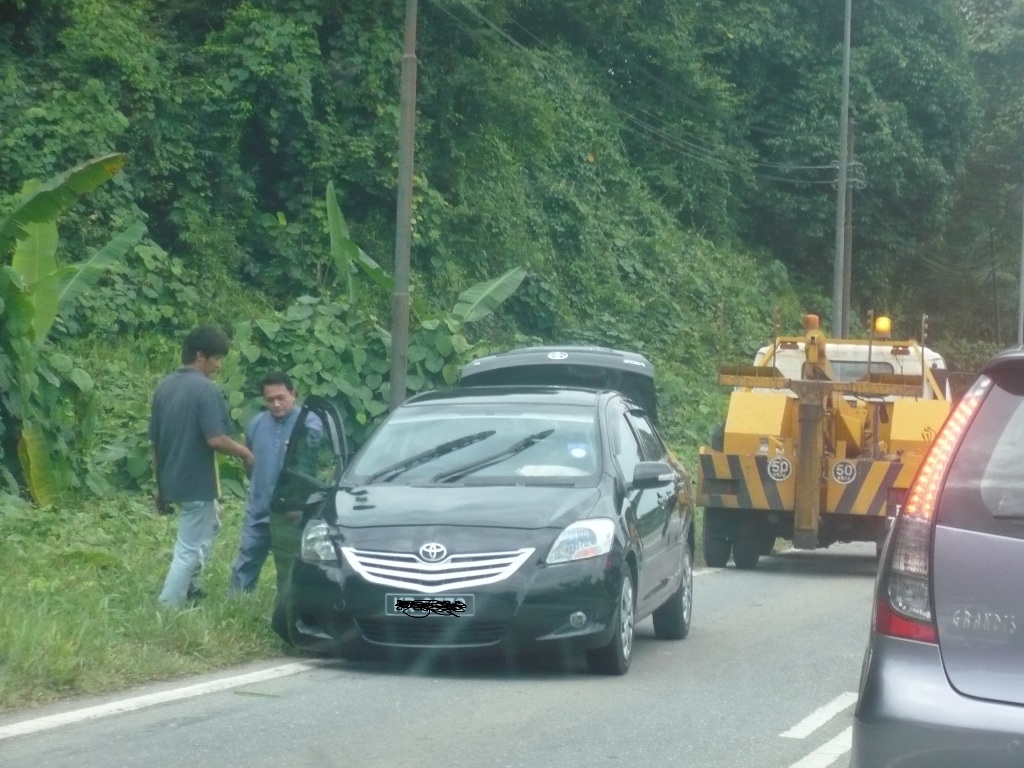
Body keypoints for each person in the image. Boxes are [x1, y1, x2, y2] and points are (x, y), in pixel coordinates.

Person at [150, 325, 255, 607]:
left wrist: (160, 488)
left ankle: (191, 584)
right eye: (216, 359)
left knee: (213, 520)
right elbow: (216, 439)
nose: (219, 366)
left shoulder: (164, 387)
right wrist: (245, 452)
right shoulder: (204, 389)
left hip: (172, 479)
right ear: (200, 356)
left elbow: (155, 445)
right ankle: (169, 605)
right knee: (189, 548)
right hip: (196, 482)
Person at [229, 371, 321, 595]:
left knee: (293, 561)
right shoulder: (257, 423)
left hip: (292, 509)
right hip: (259, 505)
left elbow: (315, 447)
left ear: (293, 394)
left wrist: (300, 443)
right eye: (270, 400)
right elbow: (249, 460)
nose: (276, 404)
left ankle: (291, 603)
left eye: (281, 397)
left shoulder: (308, 422)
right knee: (248, 555)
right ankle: (236, 602)